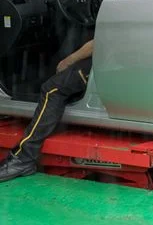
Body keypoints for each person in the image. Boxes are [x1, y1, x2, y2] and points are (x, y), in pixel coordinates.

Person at [0, 39, 94, 182]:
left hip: (107, 61)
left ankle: (23, 158)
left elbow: (98, 42)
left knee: (52, 89)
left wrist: (69, 60)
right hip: (120, 58)